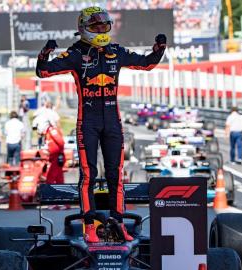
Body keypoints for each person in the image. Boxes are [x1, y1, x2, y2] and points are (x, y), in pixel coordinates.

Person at [36, 6, 166, 243]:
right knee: (89, 175)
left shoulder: (116, 51)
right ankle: (90, 224)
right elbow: (43, 72)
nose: (101, 29)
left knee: (116, 174)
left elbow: (146, 64)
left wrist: (158, 51)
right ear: (84, 28)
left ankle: (117, 221)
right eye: (96, 26)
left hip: (113, 122)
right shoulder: (75, 53)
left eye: (104, 25)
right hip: (88, 122)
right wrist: (44, 54)